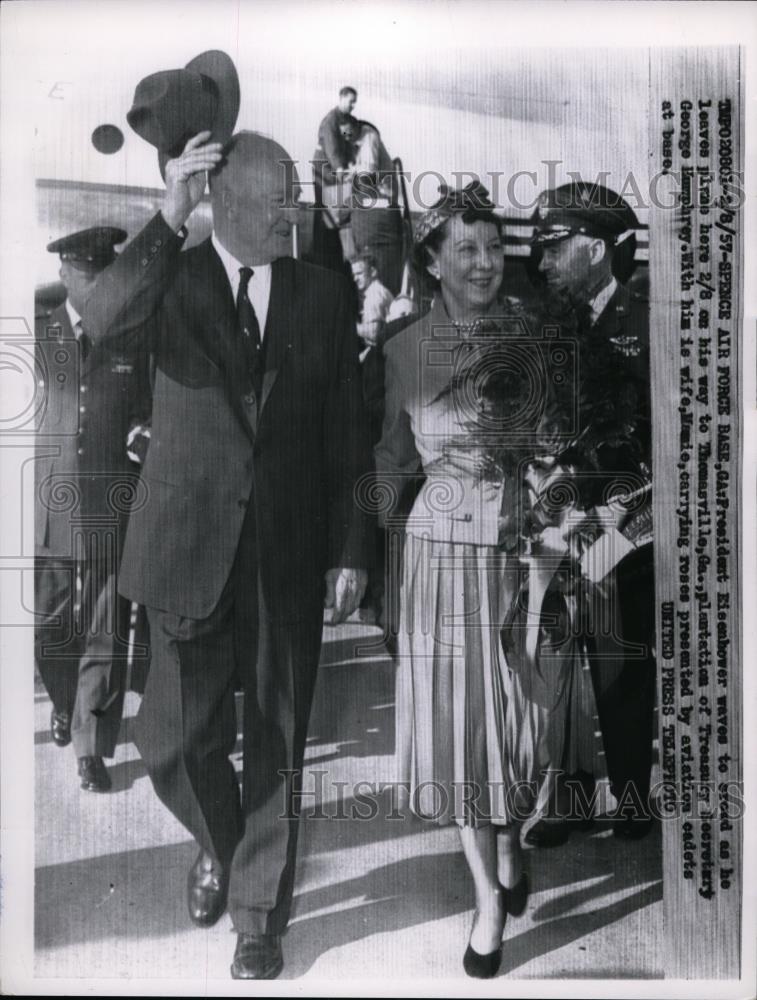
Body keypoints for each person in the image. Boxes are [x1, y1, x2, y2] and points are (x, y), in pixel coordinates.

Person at [81, 126, 372, 979]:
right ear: (225, 199)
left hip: (282, 551)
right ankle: (222, 842)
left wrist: (351, 543)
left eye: (294, 190)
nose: (295, 205)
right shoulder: (172, 276)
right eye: (279, 192)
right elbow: (101, 323)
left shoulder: (321, 296)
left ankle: (257, 911)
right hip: (185, 548)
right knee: (170, 736)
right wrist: (168, 212)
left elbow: (344, 429)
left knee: (276, 731)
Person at [375, 184, 544, 979]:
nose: (484, 263)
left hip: (525, 553)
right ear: (432, 261)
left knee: (525, 723)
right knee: (460, 730)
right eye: (465, 249)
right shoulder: (402, 351)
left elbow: (571, 446)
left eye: (493, 247)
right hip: (439, 559)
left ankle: (510, 836)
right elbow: (387, 463)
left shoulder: (538, 338)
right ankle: (484, 897)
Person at [523, 181, 654, 844]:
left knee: (619, 662)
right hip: (556, 528)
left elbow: (670, 449)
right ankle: (567, 800)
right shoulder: (550, 330)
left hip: (624, 532)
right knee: (561, 665)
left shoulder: (647, 325)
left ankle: (634, 797)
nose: (541, 263)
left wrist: (614, 526)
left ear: (596, 248)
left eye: (552, 248)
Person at [35, 226, 151, 792]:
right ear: (64, 276)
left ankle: (92, 744)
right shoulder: (34, 334)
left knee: (105, 625)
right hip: (50, 504)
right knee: (50, 623)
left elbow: (148, 410)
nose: (97, 285)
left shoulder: (130, 337)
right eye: (86, 275)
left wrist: (140, 431)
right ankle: (62, 699)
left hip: (108, 499)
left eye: (105, 274)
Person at [312, 86, 359, 194]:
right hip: (324, 165)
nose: (353, 106)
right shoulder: (331, 120)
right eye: (351, 102)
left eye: (354, 102)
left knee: (339, 201)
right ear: (342, 98)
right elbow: (331, 147)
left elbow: (348, 143)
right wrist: (339, 167)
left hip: (337, 165)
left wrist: (351, 162)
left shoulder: (349, 120)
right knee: (325, 202)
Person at [351, 252, 394, 354]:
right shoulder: (379, 290)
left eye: (359, 273)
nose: (355, 279)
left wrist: (349, 325)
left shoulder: (374, 295)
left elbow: (373, 333)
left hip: (381, 352)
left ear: (373, 272)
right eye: (353, 275)